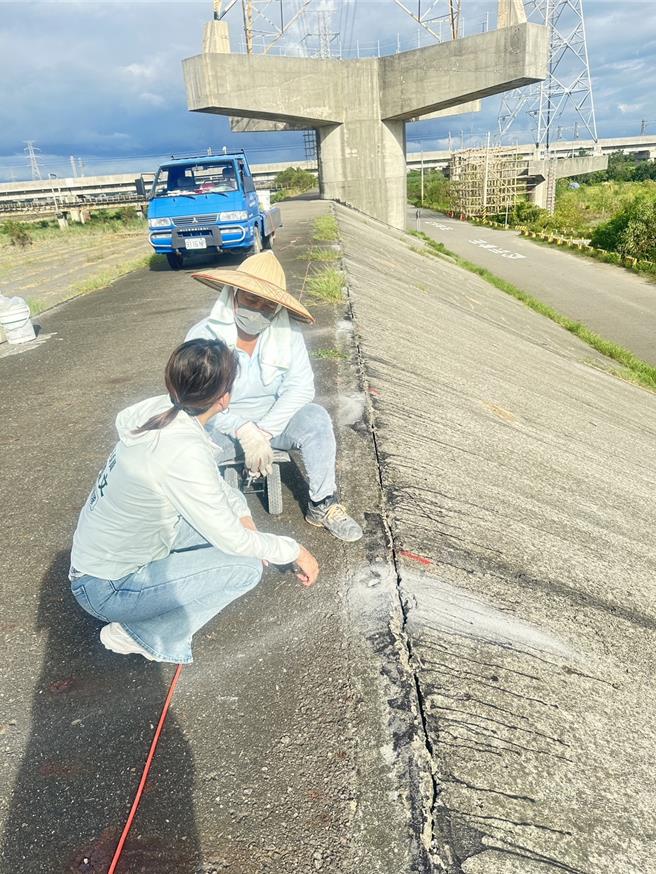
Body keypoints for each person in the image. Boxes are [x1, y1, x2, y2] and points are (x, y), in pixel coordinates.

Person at [69, 338, 319, 663]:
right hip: (106, 589)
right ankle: (144, 635)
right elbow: (233, 540)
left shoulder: (161, 412)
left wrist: (243, 514)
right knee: (245, 567)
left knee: (240, 543)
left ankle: (145, 623)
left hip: (99, 565)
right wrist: (294, 550)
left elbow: (212, 487)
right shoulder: (183, 451)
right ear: (224, 399)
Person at [185, 251, 363, 543]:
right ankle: (208, 517)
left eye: (267, 305)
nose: (258, 310)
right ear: (234, 294)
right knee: (186, 445)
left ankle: (322, 504)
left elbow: (301, 387)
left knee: (316, 418)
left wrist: (263, 431)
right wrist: (244, 430)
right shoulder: (203, 335)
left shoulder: (287, 334)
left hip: (272, 421)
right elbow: (198, 399)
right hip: (219, 423)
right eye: (251, 301)